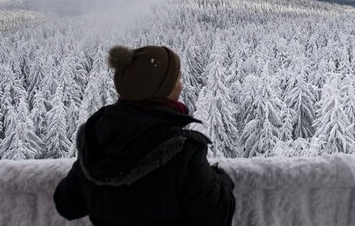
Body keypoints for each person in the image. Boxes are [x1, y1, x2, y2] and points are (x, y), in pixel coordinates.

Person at [53, 45, 236, 226]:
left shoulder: (97, 140)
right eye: (177, 79)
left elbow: (67, 204)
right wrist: (221, 178)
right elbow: (218, 217)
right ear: (161, 89)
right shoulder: (184, 151)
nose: (182, 84)